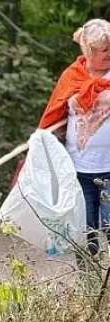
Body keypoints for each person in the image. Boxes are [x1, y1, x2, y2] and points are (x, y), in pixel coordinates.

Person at [37, 19, 110, 260]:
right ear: (89, 51)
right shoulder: (72, 77)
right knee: (85, 233)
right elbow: (55, 115)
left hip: (109, 169)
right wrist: (45, 137)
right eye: (104, 50)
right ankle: (89, 287)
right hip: (79, 169)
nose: (109, 53)